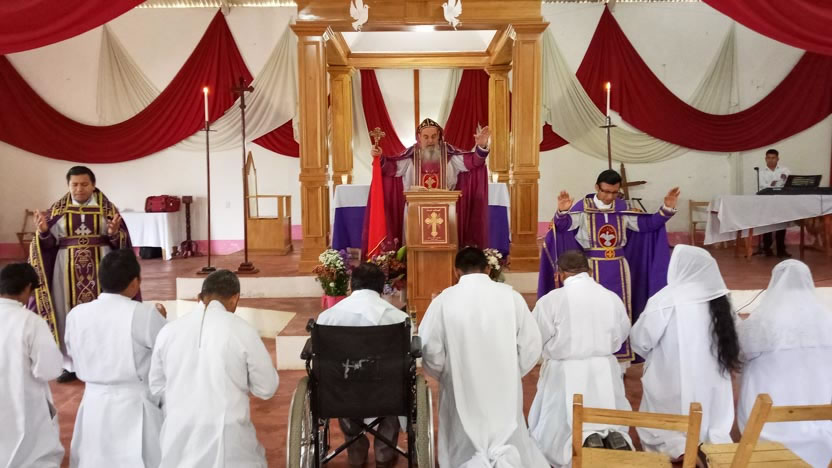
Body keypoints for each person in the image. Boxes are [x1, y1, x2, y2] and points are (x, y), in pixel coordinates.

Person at [419, 247, 548, 468]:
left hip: (461, 382)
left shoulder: (443, 301)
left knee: (461, 436)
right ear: (488, 269)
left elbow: (429, 347)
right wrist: (513, 369)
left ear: (456, 271)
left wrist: (448, 373)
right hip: (503, 382)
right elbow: (532, 343)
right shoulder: (511, 297)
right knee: (507, 426)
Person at [538, 169, 679, 365]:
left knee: (619, 310)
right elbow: (563, 227)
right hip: (592, 268)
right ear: (597, 187)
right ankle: (593, 350)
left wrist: (667, 209)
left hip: (619, 268)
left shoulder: (622, 209)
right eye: (606, 191)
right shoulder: (583, 209)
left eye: (614, 192)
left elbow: (647, 225)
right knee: (593, 310)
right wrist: (562, 212)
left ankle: (620, 360)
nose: (610, 197)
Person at [149, 270, 278, 468]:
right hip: (229, 437)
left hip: (178, 434)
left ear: (199, 297)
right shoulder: (242, 329)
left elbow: (156, 387)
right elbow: (266, 388)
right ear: (235, 298)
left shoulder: (168, 331)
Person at [630, 245, 741, 459]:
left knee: (667, 417)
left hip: (672, 377)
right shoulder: (721, 299)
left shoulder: (666, 299)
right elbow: (737, 336)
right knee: (711, 419)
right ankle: (712, 442)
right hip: (713, 380)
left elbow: (641, 339)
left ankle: (678, 446)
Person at [28, 165, 134, 383]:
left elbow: (122, 245)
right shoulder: (58, 211)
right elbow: (47, 246)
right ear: (68, 186)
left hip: (100, 267)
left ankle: (103, 359)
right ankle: (71, 365)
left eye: (84, 184)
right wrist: (44, 232)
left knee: (102, 314)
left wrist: (114, 234)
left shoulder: (107, 210)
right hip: (65, 269)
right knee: (66, 313)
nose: (79, 189)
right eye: (74, 184)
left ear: (93, 185)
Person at [528, 250, 633, 467]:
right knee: (607, 413)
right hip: (604, 367)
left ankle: (580, 442)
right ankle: (610, 436)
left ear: (560, 274)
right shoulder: (610, 297)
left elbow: (536, 336)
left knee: (561, 425)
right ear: (590, 270)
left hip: (564, 370)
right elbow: (622, 332)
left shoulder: (551, 300)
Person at [65, 249, 166, 468]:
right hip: (134, 402)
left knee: (95, 459)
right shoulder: (144, 313)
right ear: (134, 282)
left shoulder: (76, 314)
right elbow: (167, 350)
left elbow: (72, 351)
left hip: (93, 400)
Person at [736, 260, 832, 467]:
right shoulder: (827, 317)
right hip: (819, 407)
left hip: (770, 417)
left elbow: (741, 351)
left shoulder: (764, 318)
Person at [317, 263, 410, 468]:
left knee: (341, 383)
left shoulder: (328, 318)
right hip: (386, 392)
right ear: (381, 287)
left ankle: (356, 454)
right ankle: (384, 454)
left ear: (352, 284)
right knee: (395, 380)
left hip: (343, 391)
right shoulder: (399, 319)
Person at [363, 118, 491, 255]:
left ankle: (447, 263)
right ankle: (412, 263)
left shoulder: (450, 155)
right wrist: (379, 157)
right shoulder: (410, 156)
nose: (430, 141)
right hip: (414, 210)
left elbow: (474, 163)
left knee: (445, 244)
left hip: (446, 209)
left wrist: (481, 147)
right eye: (426, 137)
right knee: (414, 245)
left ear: (439, 136)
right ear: (419, 137)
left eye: (434, 136)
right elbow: (391, 168)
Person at [0, 263, 64, 468]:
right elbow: (49, 369)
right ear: (28, 287)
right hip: (22, 398)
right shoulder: (30, 321)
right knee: (30, 451)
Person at [757, 149, 791, 257]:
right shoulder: (761, 172)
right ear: (765, 159)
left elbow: (786, 183)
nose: (771, 160)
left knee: (781, 225)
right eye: (768, 158)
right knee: (767, 225)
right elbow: (763, 187)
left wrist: (772, 184)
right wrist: (777, 184)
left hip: (781, 201)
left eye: (773, 158)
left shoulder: (785, 170)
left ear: (778, 159)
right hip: (767, 201)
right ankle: (767, 249)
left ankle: (781, 250)